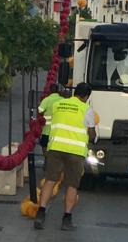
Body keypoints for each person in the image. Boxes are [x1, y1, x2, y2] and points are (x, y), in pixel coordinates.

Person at [34, 82, 96, 232]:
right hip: (75, 151)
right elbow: (91, 134)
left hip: (55, 148)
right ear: (86, 97)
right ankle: (66, 219)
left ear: (75, 93)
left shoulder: (58, 105)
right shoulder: (86, 109)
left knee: (50, 180)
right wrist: (92, 137)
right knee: (71, 185)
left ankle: (40, 214)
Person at [37, 83, 61, 160]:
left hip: (47, 131)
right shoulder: (63, 100)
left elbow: (40, 110)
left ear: (50, 91)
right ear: (58, 91)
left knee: (45, 151)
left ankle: (47, 161)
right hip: (59, 132)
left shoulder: (46, 100)